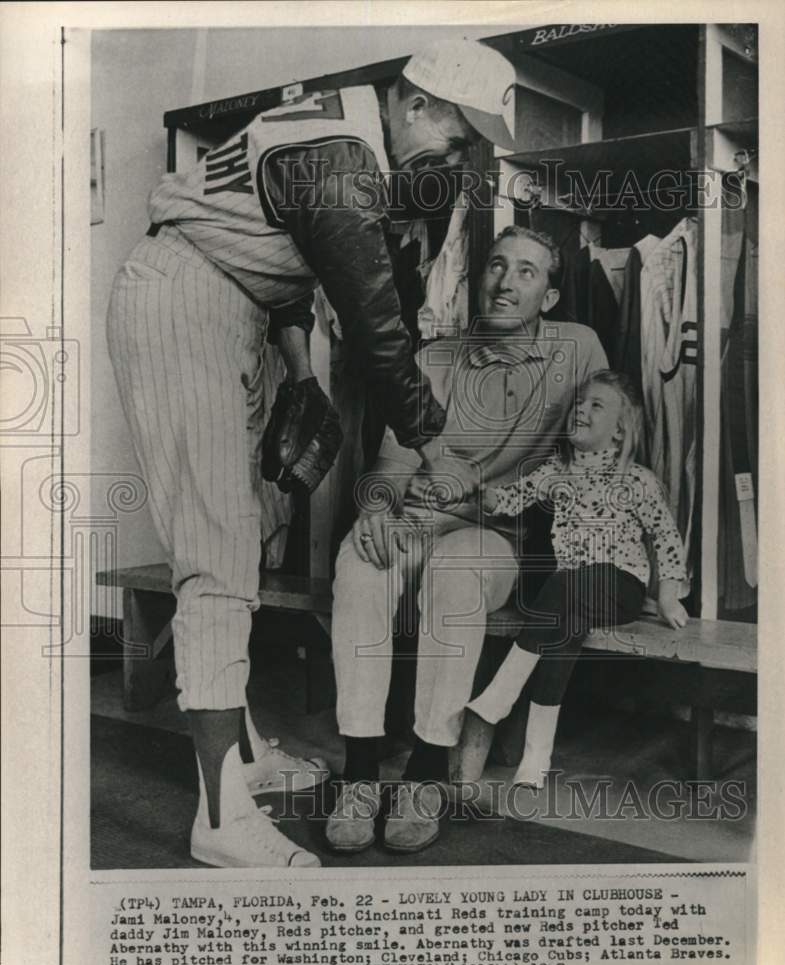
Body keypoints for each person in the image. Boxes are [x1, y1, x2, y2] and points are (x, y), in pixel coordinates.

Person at [106, 39, 517, 868]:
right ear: (414, 105)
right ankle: (220, 821)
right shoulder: (341, 161)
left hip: (229, 301)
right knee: (217, 562)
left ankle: (245, 763)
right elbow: (376, 330)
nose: (459, 152)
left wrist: (296, 371)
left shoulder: (345, 130)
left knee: (244, 537)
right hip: (185, 299)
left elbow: (279, 261)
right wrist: (433, 446)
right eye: (458, 133)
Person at [326, 226, 608, 854]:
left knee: (455, 571)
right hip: (420, 515)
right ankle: (362, 773)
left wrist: (491, 497)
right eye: (497, 266)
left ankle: (426, 773)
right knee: (360, 562)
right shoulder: (433, 358)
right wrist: (375, 506)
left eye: (527, 273)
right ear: (477, 278)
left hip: (500, 529)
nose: (506, 282)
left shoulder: (578, 349)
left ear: (551, 297)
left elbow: (599, 448)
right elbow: (392, 464)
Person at [465, 369, 689, 788]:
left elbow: (666, 536)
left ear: (619, 433)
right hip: (570, 595)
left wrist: (669, 596)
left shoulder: (636, 480)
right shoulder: (554, 472)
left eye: (596, 406)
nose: (581, 410)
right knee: (562, 632)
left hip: (618, 586)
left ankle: (500, 694)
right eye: (579, 403)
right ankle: (537, 756)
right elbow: (509, 500)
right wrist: (478, 486)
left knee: (566, 586)